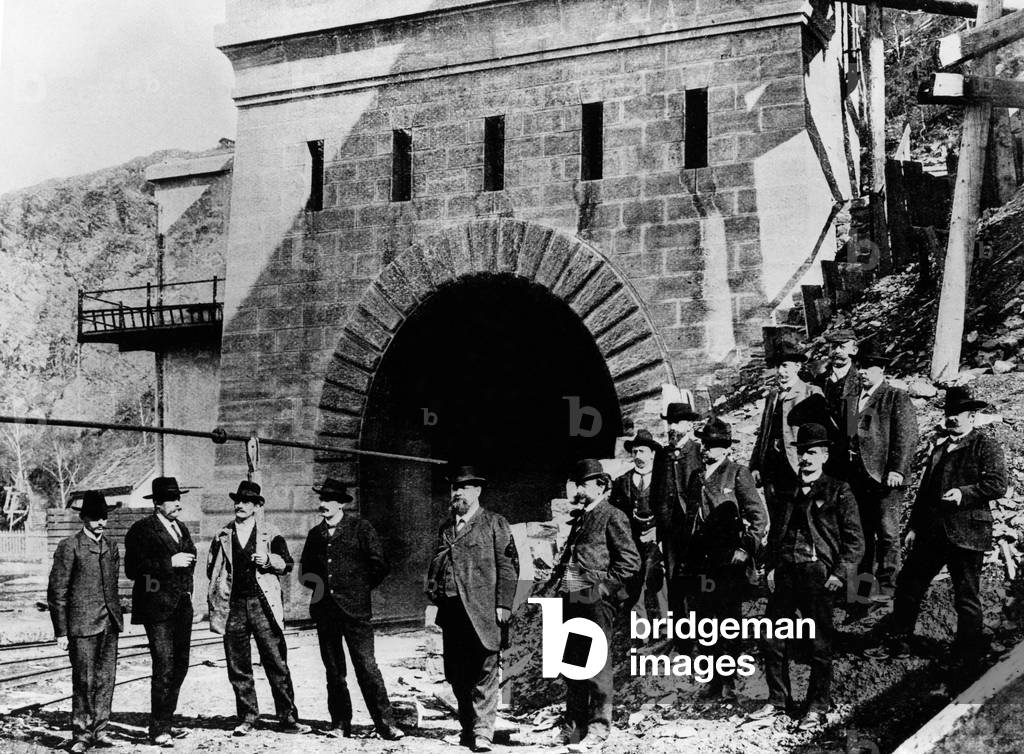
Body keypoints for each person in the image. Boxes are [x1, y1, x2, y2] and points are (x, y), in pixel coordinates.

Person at [754, 423, 864, 731]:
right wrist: (772, 567)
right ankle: (778, 701)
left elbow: (855, 540)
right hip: (786, 573)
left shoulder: (838, 489)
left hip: (819, 574)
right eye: (802, 452)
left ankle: (817, 706)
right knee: (771, 638)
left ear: (825, 456)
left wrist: (840, 574)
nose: (806, 458)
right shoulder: (786, 490)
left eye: (812, 453)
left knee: (819, 643)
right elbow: (777, 533)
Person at [885, 386, 1007, 663]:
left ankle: (967, 652)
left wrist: (964, 494)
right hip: (932, 532)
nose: (952, 418)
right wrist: (913, 528)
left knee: (966, 595)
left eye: (959, 414)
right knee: (909, 584)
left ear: (972, 417)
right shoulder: (939, 448)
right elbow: (925, 492)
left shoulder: (984, 445)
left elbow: (997, 485)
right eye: (949, 413)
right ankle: (901, 641)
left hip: (967, 532)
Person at [298, 478, 404, 740]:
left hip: (356, 613)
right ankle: (340, 723)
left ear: (341, 504)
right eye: (321, 499)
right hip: (326, 614)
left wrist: (358, 590)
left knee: (367, 667)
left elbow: (379, 565)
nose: (323, 504)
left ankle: (385, 724)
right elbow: (306, 574)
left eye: (329, 500)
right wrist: (323, 594)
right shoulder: (315, 534)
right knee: (334, 671)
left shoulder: (361, 528)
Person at [547, 459, 640, 747]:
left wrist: (603, 589)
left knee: (597, 663)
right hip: (574, 595)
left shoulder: (613, 515)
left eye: (584, 483)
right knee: (574, 664)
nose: (579, 488)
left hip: (596, 601)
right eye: (578, 483)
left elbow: (630, 561)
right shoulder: (582, 517)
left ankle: (599, 726)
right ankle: (574, 725)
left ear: (600, 486)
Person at [425, 466, 518, 752]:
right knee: (456, 674)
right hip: (453, 613)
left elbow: (508, 566)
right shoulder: (446, 528)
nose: (458, 493)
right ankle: (468, 728)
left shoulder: (494, 523)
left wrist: (503, 603)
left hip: (483, 610)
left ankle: (483, 734)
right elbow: (437, 566)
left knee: (485, 671)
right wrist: (435, 597)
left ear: (477, 491)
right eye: (455, 488)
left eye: (464, 487)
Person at [207, 480, 308, 737]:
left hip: (263, 604)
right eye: (238, 501)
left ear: (256, 506)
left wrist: (268, 561)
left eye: (247, 502)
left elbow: (287, 564)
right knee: (238, 665)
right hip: (234, 607)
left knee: (275, 661)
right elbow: (212, 568)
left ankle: (287, 718)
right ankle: (248, 717)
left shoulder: (270, 533)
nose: (240, 505)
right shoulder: (223, 534)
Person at [683, 418, 768, 703]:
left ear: (724, 448)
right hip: (701, 561)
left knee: (728, 621)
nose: (706, 449)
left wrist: (745, 549)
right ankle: (712, 681)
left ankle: (729, 681)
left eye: (713, 445)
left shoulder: (737, 473)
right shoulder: (696, 477)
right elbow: (691, 518)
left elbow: (759, 517)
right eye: (705, 444)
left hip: (728, 562)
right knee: (704, 621)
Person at [841, 341, 918, 603]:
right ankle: (861, 591)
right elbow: (851, 436)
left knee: (887, 533)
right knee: (861, 534)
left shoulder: (895, 396)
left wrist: (897, 468)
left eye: (868, 367)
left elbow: (906, 437)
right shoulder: (853, 399)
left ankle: (888, 586)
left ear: (882, 368)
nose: (862, 371)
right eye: (860, 366)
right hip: (858, 478)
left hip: (885, 477)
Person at [47, 491, 123, 754]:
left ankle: (100, 730)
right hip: (82, 626)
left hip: (109, 624)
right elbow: (57, 592)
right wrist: (61, 632)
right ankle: (81, 733)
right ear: (84, 518)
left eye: (103, 517)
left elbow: (111, 586)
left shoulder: (111, 547)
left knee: (106, 680)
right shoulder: (70, 546)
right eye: (94, 517)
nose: (100, 522)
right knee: (84, 681)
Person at [123, 476, 197, 747]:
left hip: (181, 607)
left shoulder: (182, 529)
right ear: (157, 503)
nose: (178, 503)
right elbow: (134, 569)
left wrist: (188, 594)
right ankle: (158, 729)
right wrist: (169, 562)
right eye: (172, 499)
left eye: (179, 498)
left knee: (180, 665)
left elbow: (190, 562)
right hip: (156, 609)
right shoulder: (142, 530)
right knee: (164, 666)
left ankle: (167, 720)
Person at [750, 341, 825, 522]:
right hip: (771, 470)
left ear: (798, 366)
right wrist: (755, 465)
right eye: (778, 366)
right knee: (777, 520)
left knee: (801, 518)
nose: (780, 371)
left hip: (797, 466)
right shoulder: (772, 396)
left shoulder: (810, 392)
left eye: (785, 366)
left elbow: (819, 435)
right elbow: (763, 433)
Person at [649, 398, 703, 638]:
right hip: (670, 528)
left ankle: (702, 630)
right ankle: (681, 636)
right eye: (670, 422)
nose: (672, 427)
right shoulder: (662, 455)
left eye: (678, 422)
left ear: (689, 425)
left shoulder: (698, 451)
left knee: (695, 577)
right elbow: (655, 493)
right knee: (673, 580)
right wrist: (659, 523)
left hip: (694, 526)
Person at [610, 428, 666, 621]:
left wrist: (659, 530)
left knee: (657, 581)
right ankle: (641, 637)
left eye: (642, 451)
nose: (638, 456)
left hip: (656, 539)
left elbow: (671, 510)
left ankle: (666, 633)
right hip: (631, 541)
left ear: (652, 454)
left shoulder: (664, 479)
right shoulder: (622, 482)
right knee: (633, 586)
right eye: (634, 452)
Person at [812, 328, 861, 476]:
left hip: (853, 451)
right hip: (827, 451)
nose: (837, 351)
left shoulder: (861, 380)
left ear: (854, 349)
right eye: (834, 346)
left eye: (842, 346)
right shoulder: (819, 380)